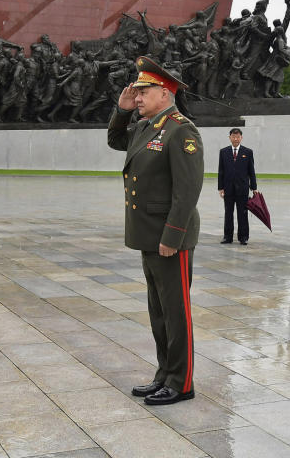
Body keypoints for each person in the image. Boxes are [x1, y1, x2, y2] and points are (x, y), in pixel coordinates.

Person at [107, 56, 203, 406]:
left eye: (144, 91)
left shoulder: (181, 130)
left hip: (168, 238)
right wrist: (121, 109)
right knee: (159, 312)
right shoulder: (148, 127)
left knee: (176, 314)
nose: (138, 97)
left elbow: (187, 190)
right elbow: (116, 139)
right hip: (149, 235)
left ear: (165, 93)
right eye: (137, 91)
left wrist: (171, 237)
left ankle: (182, 382)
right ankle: (164, 373)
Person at [217, 128, 257, 245]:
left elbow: (251, 171)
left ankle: (243, 237)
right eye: (233, 137)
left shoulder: (248, 152)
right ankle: (227, 237)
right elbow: (221, 171)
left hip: (243, 189)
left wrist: (254, 188)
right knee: (228, 213)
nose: (235, 139)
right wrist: (221, 188)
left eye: (238, 136)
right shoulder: (223, 152)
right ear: (229, 137)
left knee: (242, 214)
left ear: (241, 138)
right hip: (228, 188)